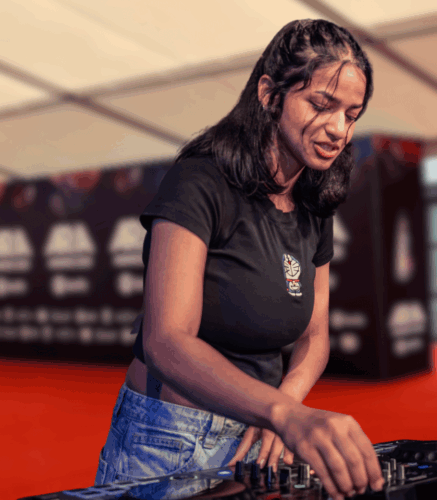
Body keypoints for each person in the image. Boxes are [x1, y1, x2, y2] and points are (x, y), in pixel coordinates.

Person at [94, 20, 383, 500]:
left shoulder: (315, 202)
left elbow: (315, 335)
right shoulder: (200, 181)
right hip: (171, 440)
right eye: (321, 104)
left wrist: (282, 409)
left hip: (260, 440)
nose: (339, 129)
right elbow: (167, 340)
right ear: (269, 95)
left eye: (352, 114)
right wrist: (283, 414)